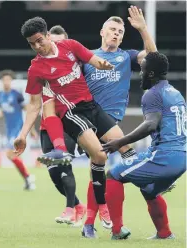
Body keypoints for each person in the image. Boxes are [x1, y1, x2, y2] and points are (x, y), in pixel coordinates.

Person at [38, 6, 157, 237]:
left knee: (105, 166)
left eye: (120, 32)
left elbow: (153, 59)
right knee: (123, 157)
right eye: (112, 29)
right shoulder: (86, 57)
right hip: (88, 119)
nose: (116, 34)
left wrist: (143, 29)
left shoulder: (127, 56)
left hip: (109, 121)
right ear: (102, 32)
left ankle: (92, 221)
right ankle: (141, 192)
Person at [14, 16, 132, 231]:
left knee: (127, 149)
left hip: (92, 107)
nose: (37, 47)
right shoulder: (36, 69)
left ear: (48, 35)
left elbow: (91, 58)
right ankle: (100, 206)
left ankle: (154, 181)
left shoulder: (70, 46)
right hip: (70, 113)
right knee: (100, 155)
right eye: (32, 44)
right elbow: (33, 105)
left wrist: (102, 64)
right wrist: (22, 134)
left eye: (40, 40)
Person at [102, 52, 186, 240]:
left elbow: (150, 124)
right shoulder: (175, 93)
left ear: (150, 74)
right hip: (182, 156)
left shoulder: (152, 94)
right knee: (149, 189)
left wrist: (120, 142)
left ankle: (116, 230)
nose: (140, 73)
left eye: (142, 69)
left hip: (165, 156)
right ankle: (164, 233)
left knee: (113, 174)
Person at [40, 25, 86, 226]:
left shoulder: (76, 66)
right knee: (53, 172)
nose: (57, 45)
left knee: (64, 164)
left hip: (68, 121)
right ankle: (78, 205)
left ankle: (69, 209)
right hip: (46, 124)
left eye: (61, 42)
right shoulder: (41, 65)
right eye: (54, 41)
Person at [0, 70, 37, 190]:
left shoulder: (16, 94)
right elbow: (3, 111)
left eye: (8, 79)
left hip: (18, 129)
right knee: (15, 156)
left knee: (10, 154)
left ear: (11, 81)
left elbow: (27, 110)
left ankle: (28, 177)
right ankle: (28, 181)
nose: (6, 82)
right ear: (1, 81)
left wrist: (31, 129)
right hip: (9, 130)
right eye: (4, 80)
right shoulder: (0, 96)